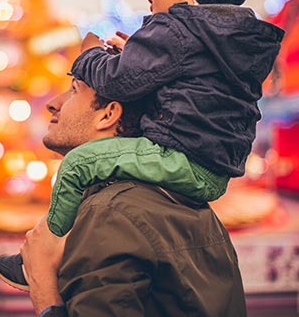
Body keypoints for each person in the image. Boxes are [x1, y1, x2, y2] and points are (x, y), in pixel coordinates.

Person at [0, 0, 285, 290]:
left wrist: (89, 57)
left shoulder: (175, 29)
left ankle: (40, 257)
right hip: (214, 172)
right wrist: (139, 52)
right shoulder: (229, 42)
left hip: (177, 155)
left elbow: (117, 82)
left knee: (78, 163)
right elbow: (191, 84)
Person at [23, 74, 246, 316]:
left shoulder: (111, 212)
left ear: (108, 115)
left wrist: (43, 287)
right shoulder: (180, 199)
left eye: (74, 90)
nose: (53, 103)